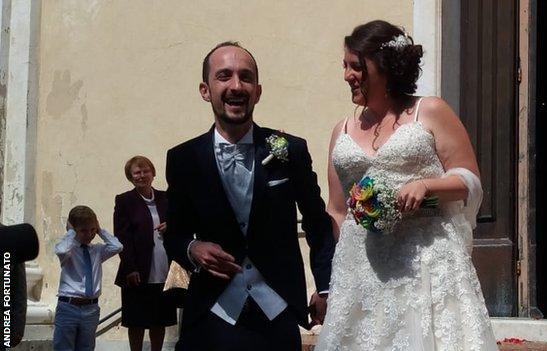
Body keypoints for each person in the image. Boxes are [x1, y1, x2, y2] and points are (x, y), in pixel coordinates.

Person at [315, 20, 498, 350]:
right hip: (361, 268)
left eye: (356, 66)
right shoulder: (340, 129)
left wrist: (428, 185)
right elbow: (338, 211)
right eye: (345, 66)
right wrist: (334, 279)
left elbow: (469, 180)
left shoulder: (429, 111)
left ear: (385, 67)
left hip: (424, 264)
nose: (347, 75)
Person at [163, 41, 335, 351]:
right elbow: (174, 234)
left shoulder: (290, 150)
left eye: (246, 77)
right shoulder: (183, 158)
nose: (236, 86)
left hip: (277, 313)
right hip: (210, 314)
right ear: (205, 90)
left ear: (257, 91)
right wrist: (192, 248)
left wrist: (325, 288)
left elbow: (318, 225)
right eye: (224, 76)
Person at [114, 156, 177, 351]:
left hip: (164, 267)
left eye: (145, 171)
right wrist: (130, 267)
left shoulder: (166, 198)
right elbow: (122, 236)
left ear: (153, 173)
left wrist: (172, 226)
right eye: (137, 173)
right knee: (137, 321)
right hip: (138, 269)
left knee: (160, 319)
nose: (142, 176)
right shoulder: (125, 200)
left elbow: (182, 224)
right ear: (130, 177)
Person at [53, 206, 123, 351]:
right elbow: (60, 250)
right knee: (63, 347)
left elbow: (117, 246)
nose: (89, 235)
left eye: (92, 230)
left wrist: (100, 230)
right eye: (83, 231)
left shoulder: (97, 251)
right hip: (68, 307)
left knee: (87, 348)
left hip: (91, 308)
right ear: (74, 230)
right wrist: (70, 232)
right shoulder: (68, 250)